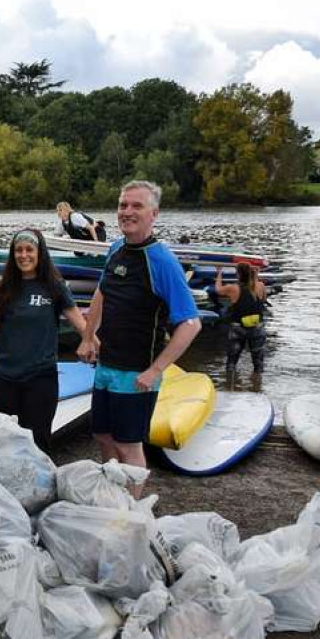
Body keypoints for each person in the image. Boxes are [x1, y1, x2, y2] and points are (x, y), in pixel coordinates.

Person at [77, 180, 201, 485]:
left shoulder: (162, 260)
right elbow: (102, 293)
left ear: (154, 214)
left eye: (137, 206)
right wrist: (88, 336)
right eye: (123, 205)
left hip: (136, 375)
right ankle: (110, 495)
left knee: (128, 445)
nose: (127, 212)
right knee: (103, 436)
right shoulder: (117, 248)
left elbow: (191, 324)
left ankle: (129, 514)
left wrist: (156, 369)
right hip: (106, 365)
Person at [0, 229, 88, 452]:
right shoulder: (3, 287)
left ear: (40, 253)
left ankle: (40, 485)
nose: (24, 255)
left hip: (40, 377)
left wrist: (94, 343)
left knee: (38, 441)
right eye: (18, 250)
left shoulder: (55, 287)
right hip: (4, 376)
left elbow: (81, 324)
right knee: (7, 441)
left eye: (29, 250)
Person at [216, 262, 267, 383]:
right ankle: (256, 385)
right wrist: (256, 276)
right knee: (258, 362)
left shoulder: (233, 288)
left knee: (232, 362)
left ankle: (231, 385)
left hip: (238, 328)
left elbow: (218, 290)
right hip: (257, 327)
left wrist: (219, 274)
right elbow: (264, 300)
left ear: (238, 274)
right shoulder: (260, 286)